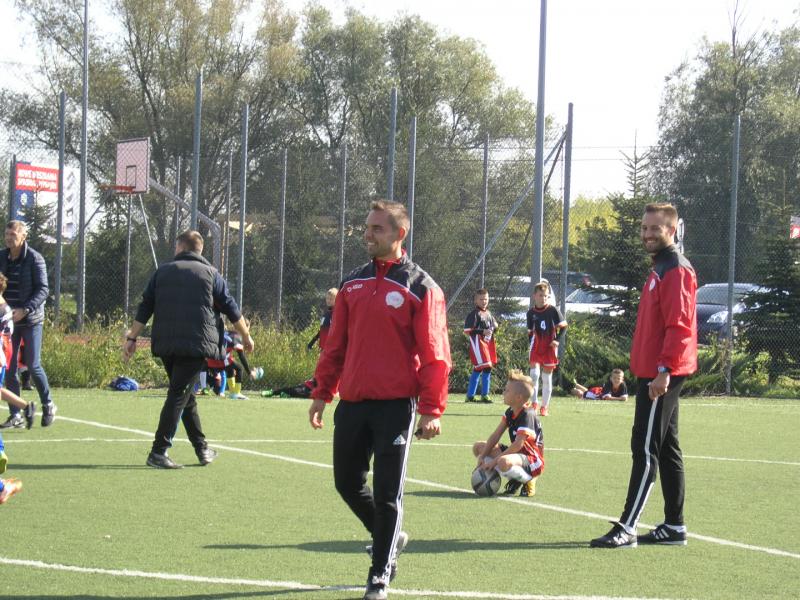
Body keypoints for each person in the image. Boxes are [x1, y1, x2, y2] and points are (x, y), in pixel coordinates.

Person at [308, 200, 451, 600]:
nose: (367, 235)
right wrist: (322, 392)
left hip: (395, 406)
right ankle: (389, 537)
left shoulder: (421, 287)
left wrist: (432, 410)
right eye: (366, 228)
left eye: (377, 229)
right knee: (346, 483)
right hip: (353, 402)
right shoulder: (352, 284)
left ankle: (379, 575)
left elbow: (436, 353)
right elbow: (335, 345)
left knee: (388, 494)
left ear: (399, 234)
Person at [590, 203, 697, 549]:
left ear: (672, 230)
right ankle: (674, 526)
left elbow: (679, 326)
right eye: (644, 228)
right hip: (654, 370)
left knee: (645, 447)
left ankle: (627, 527)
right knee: (666, 447)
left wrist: (664, 371)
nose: (647, 234)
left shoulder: (675, 269)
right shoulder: (661, 267)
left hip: (660, 374)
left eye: (655, 228)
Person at [123, 230, 254, 469]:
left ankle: (202, 449)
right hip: (196, 344)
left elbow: (145, 307)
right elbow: (232, 309)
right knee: (178, 394)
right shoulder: (211, 274)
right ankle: (158, 451)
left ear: (180, 247)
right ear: (199, 250)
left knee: (186, 396)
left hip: (165, 344)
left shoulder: (162, 272)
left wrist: (132, 337)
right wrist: (246, 337)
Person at [0, 220, 56, 429]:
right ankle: (16, 415)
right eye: (7, 234)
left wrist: (25, 309)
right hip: (9, 321)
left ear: (23, 236)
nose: (9, 238)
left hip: (31, 320)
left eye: (13, 235)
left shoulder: (35, 258)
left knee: (33, 364)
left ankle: (48, 404)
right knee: (10, 367)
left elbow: (43, 289)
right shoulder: (1, 256)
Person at [472, 370, 544, 497]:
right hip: (518, 455)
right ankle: (516, 479)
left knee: (502, 462)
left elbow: (518, 444)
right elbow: (495, 435)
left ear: (518, 397)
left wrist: (493, 462)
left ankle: (529, 479)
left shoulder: (527, 414)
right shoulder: (510, 411)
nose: (503, 392)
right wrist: (482, 457)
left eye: (507, 390)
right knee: (478, 447)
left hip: (532, 461)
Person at [526, 281, 567, 417]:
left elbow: (564, 326)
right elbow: (530, 332)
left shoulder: (553, 310)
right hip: (536, 346)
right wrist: (531, 344)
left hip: (549, 347)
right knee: (534, 374)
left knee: (546, 377)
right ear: (534, 296)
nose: (543, 298)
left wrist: (557, 340)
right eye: (540, 295)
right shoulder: (531, 313)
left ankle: (544, 407)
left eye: (546, 296)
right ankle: (534, 403)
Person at [463, 288, 498, 403]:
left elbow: (494, 326)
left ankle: (470, 396)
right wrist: (482, 331)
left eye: (486, 299)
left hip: (487, 344)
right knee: (486, 367)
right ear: (476, 301)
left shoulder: (488, 313)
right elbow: (467, 330)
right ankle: (484, 395)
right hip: (478, 344)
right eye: (481, 299)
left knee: (479, 368)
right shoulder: (474, 314)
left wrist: (495, 327)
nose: (484, 301)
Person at [206, 329, 259, 399]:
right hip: (219, 359)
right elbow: (241, 356)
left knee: (230, 367)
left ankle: (232, 392)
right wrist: (249, 372)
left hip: (209, 359)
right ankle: (236, 393)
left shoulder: (227, 332)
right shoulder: (237, 337)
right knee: (239, 368)